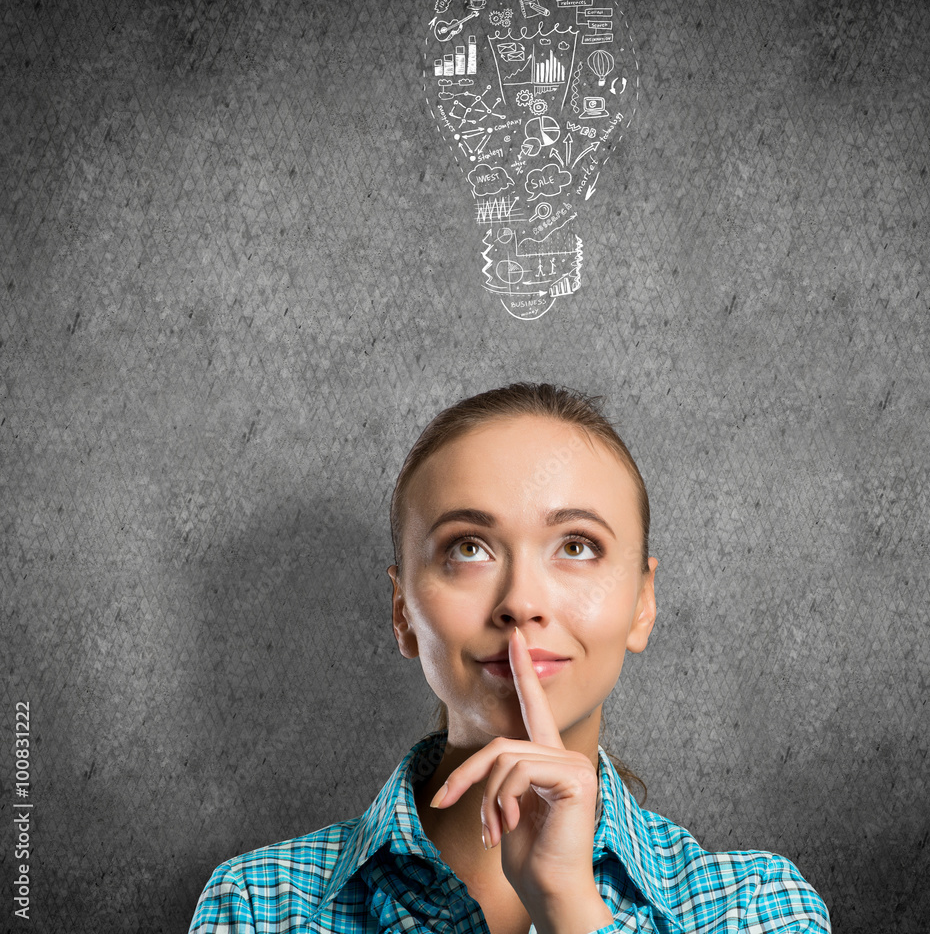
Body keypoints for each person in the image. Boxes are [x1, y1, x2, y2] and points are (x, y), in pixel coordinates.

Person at [189, 382, 831, 934]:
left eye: (577, 546)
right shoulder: (258, 906)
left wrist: (569, 907)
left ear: (642, 602)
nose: (521, 603)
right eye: (468, 548)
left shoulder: (755, 909)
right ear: (402, 611)